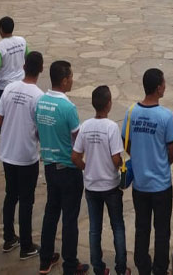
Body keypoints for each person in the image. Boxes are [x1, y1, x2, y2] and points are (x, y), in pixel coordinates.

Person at [35, 60, 88, 275]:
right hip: (68, 167)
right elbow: (78, 140)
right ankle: (70, 264)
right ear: (64, 80)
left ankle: (45, 259)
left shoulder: (41, 102)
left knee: (51, 211)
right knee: (69, 218)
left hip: (49, 164)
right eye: (71, 77)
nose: (72, 80)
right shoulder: (68, 107)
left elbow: (38, 132)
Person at [123, 68, 173, 275]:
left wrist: (138, 157)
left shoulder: (131, 112)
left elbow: (126, 143)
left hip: (140, 184)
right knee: (162, 231)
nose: (165, 86)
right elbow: (172, 150)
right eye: (163, 83)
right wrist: (161, 162)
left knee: (142, 227)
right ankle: (160, 269)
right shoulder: (164, 116)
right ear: (157, 88)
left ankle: (143, 266)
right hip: (161, 184)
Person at [71, 86, 130, 275]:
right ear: (109, 104)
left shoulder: (86, 126)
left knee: (94, 229)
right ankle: (121, 268)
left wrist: (86, 167)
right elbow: (115, 159)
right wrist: (121, 164)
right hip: (110, 185)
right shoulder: (111, 127)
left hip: (91, 185)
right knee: (117, 227)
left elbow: (75, 156)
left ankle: (98, 267)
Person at [0, 51, 44, 259]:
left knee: (10, 195)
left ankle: (8, 238)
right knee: (26, 200)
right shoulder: (38, 96)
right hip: (26, 155)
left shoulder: (10, 89)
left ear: (23, 66)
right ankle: (26, 245)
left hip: (8, 153)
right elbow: (40, 131)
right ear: (41, 69)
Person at [0, 16, 28, 103]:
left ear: (0, 29)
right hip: (21, 82)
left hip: (4, 87)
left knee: (3, 112)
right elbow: (28, 57)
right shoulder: (22, 41)